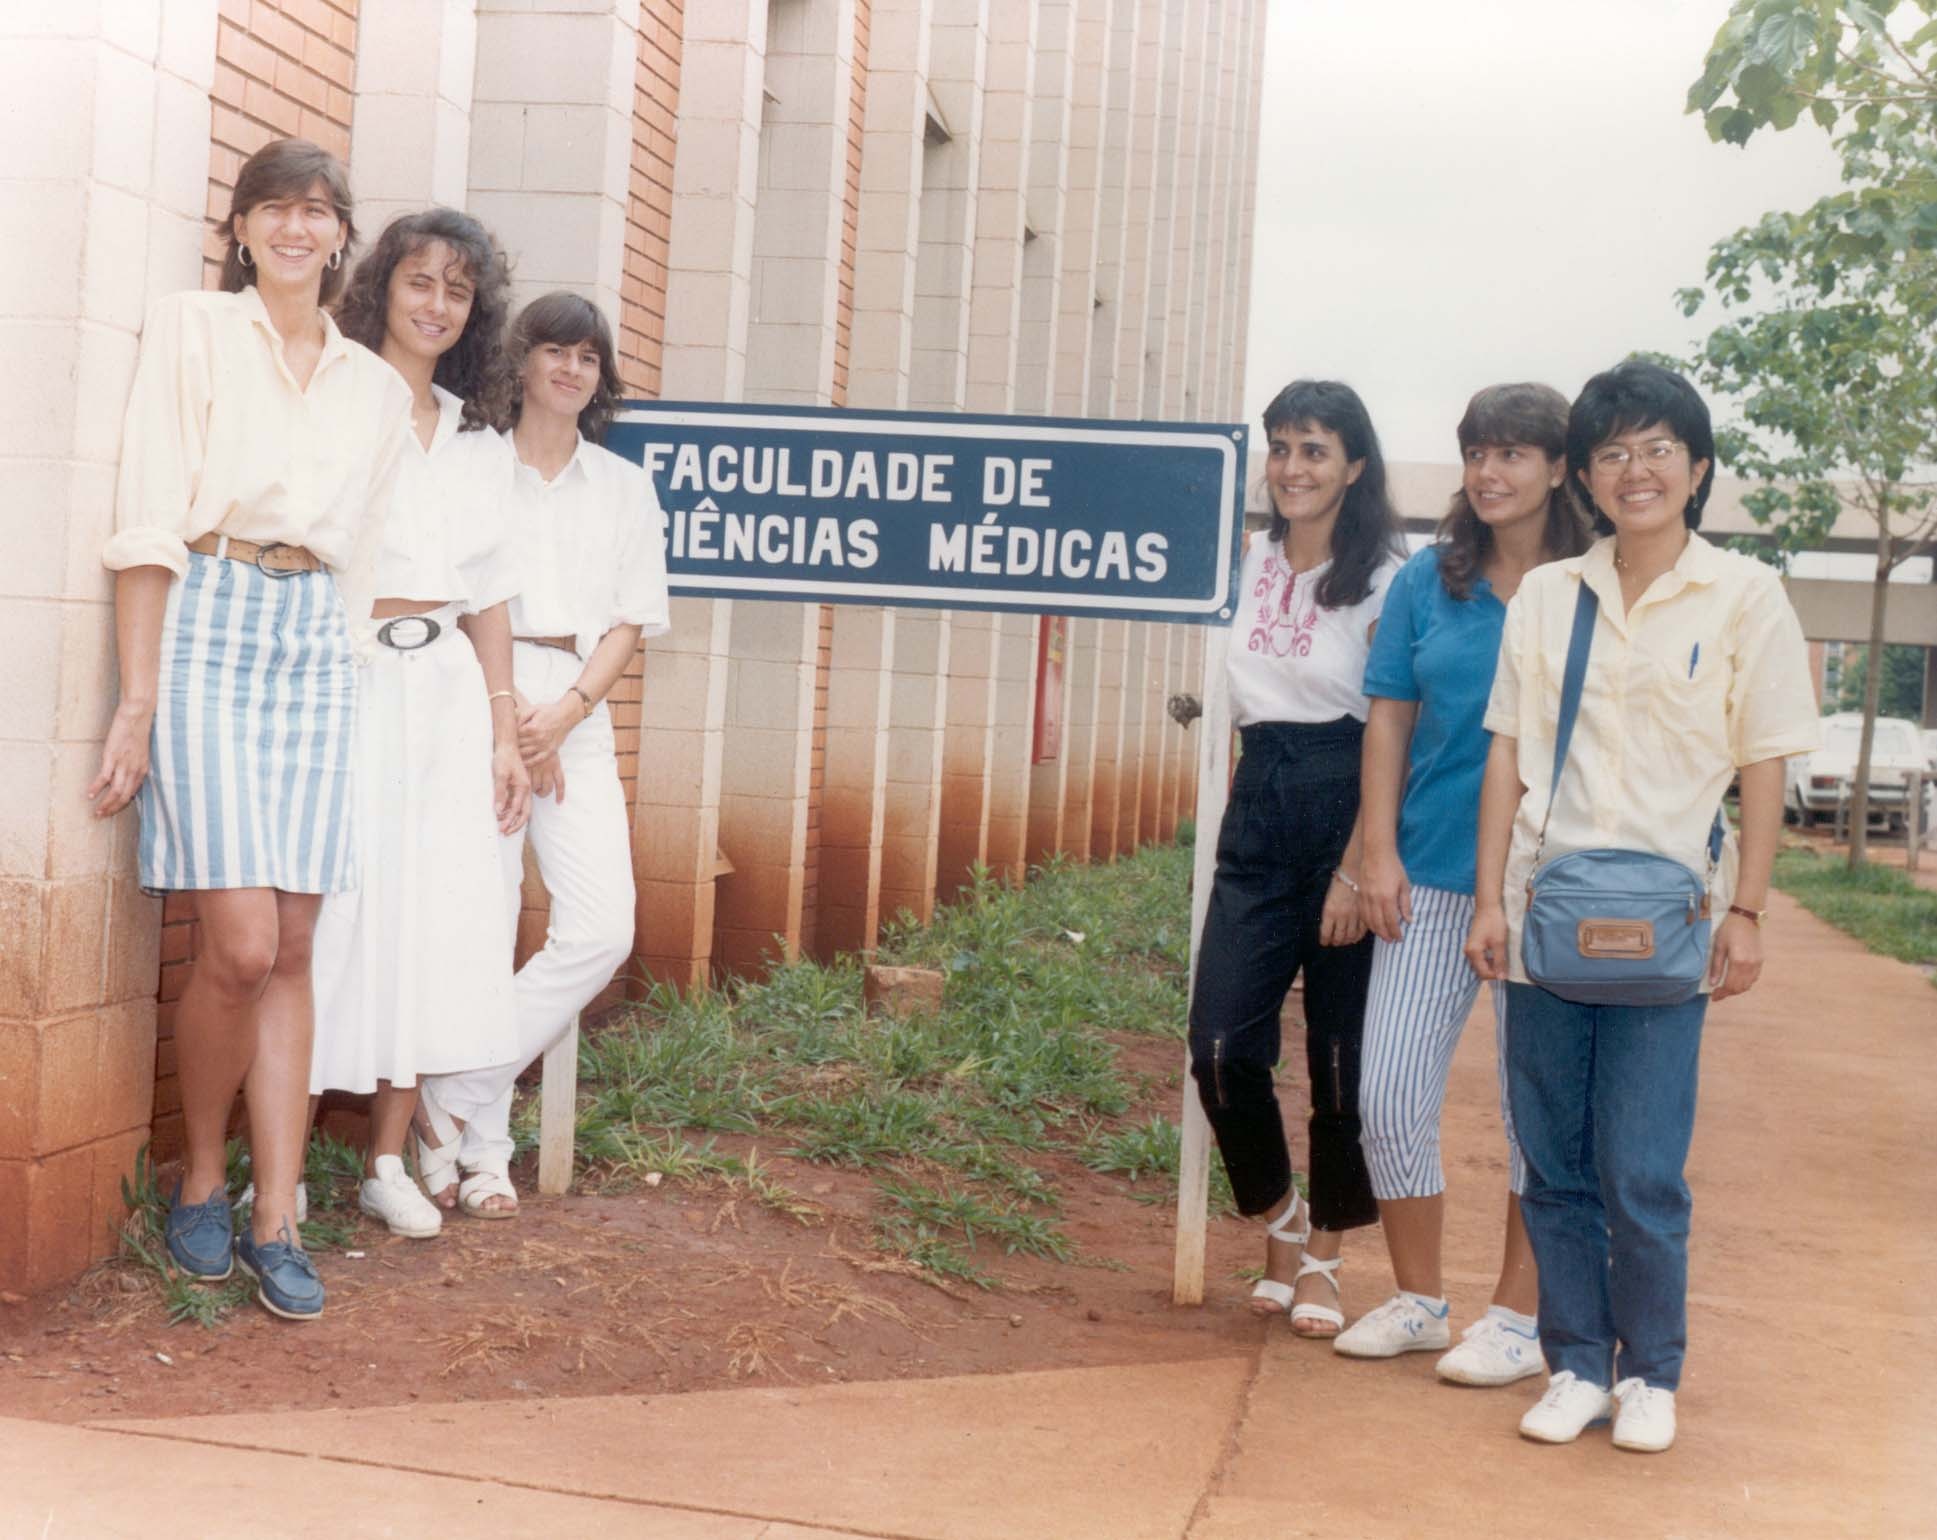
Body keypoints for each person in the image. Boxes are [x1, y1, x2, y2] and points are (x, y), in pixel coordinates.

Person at [1466, 361, 1820, 1452]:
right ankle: (1575, 1360)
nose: (1636, 470)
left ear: (1697, 468)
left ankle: (1650, 1373)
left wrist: (1746, 909)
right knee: (1553, 1158)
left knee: (1641, 1163)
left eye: (1658, 448)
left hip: (1667, 924)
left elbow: (1762, 761)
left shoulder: (1742, 595)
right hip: (1542, 916)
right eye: (1613, 451)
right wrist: (1486, 900)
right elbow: (1505, 758)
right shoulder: (1546, 595)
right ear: (1585, 474)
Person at [91, 139, 411, 1320]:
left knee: (292, 946)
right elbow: (146, 517)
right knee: (233, 941)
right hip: (211, 619)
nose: (295, 227)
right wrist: (139, 696)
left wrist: (355, 674)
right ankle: (202, 1175)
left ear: (340, 237)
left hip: (316, 640)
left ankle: (277, 1210)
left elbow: (366, 562)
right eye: (275, 207)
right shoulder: (193, 328)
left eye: (318, 211)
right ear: (241, 229)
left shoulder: (374, 389)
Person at [1334, 385, 1590, 1379]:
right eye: (1476, 453)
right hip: (1429, 874)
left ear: (1558, 467)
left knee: (1536, 1113)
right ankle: (1416, 1299)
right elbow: (1388, 719)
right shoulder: (1424, 582)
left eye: (1513, 455)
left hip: (1552, 880)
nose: (1488, 474)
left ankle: (1518, 1319)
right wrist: (1375, 853)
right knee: (1387, 1095)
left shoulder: (1591, 585)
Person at [416, 292, 671, 1218]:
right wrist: (513, 723)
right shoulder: (474, 460)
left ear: (600, 379)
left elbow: (629, 621)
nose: (570, 370)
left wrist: (560, 718)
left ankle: (453, 1093)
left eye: (588, 359)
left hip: (577, 701)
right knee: (483, 925)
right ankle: (484, 1153)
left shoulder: (621, 485)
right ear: (521, 362)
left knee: (601, 929)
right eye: (554, 352)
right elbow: (450, 590)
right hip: (478, 692)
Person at [307, 209, 531, 1238]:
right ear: (382, 287)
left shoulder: (481, 439)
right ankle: (285, 1154)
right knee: (336, 911)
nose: (436, 305)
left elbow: (488, 597)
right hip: (347, 680)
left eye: (457, 290)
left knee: (430, 919)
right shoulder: (331, 392)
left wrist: (500, 728)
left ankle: (386, 1158)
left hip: (442, 691)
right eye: (419, 282)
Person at [1188, 379, 1405, 1337]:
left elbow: (1398, 726)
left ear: (1354, 465)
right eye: (1279, 448)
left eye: (1313, 449)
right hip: (1258, 799)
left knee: (1337, 1059)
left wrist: (1360, 864)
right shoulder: (1237, 566)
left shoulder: (1391, 578)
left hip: (1349, 801)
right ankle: (1280, 1217)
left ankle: (1324, 1259)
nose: (1290, 469)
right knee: (1221, 1046)